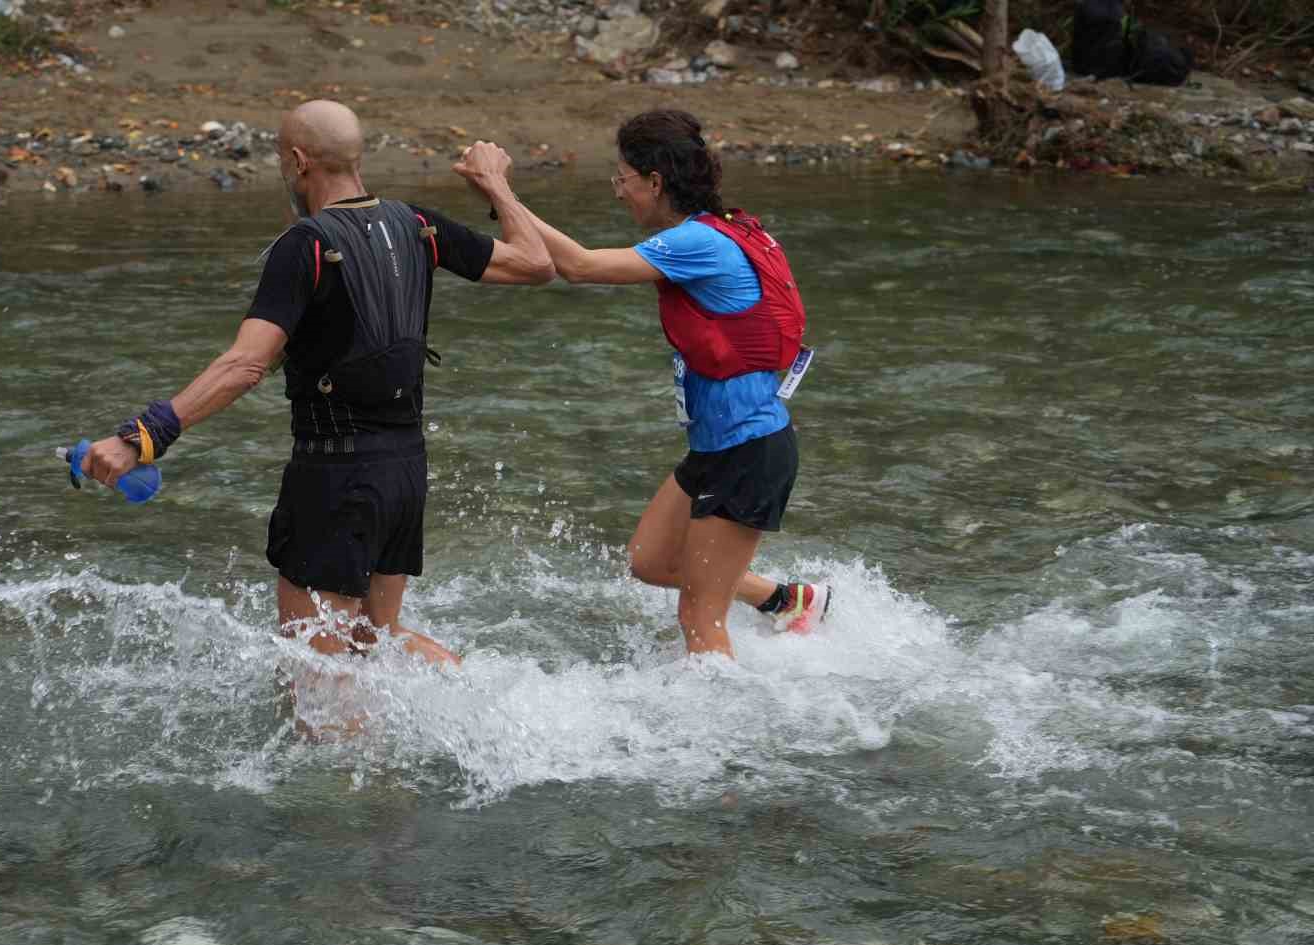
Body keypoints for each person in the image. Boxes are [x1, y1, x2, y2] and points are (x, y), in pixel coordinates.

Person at [76, 100, 554, 677]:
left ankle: (358, 759)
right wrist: (496, 186)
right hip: (404, 470)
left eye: (283, 159)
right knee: (376, 638)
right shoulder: (417, 224)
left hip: (335, 473)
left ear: (299, 161)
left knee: (321, 679)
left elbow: (242, 366)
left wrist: (142, 437)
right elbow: (535, 261)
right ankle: (488, 712)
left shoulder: (303, 246)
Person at [485, 108, 829, 659]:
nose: (618, 192)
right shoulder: (718, 232)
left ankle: (717, 739)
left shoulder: (701, 243)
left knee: (698, 614)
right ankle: (788, 601)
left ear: (655, 181)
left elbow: (579, 266)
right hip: (722, 446)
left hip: (750, 448)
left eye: (621, 179)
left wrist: (500, 190)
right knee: (650, 561)